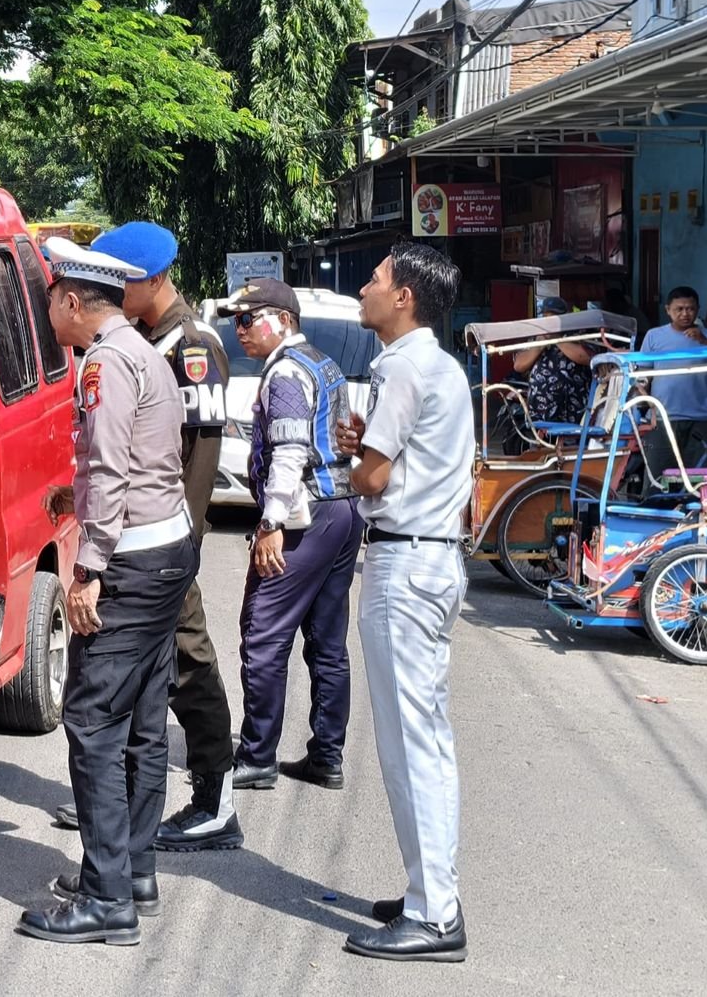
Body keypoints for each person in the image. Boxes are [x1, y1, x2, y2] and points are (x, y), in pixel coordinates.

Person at [17, 243, 197, 947]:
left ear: (71, 302)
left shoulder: (104, 362)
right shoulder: (144, 350)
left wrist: (87, 569)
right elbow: (143, 460)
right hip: (167, 549)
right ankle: (134, 873)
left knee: (93, 722)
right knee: (143, 719)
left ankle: (106, 897)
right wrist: (79, 496)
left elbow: (111, 463)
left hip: (131, 562)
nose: (49, 312)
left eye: (50, 300)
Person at [46, 222, 242, 850]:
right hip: (145, 535)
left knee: (189, 663)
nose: (110, 291)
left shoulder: (191, 345)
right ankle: (119, 805)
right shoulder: (144, 341)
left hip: (161, 538)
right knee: (139, 682)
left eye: (122, 281)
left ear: (152, 280)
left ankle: (214, 796)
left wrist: (181, 544)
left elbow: (195, 459)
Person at [336, 242, 473, 963]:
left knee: (409, 744)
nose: (365, 288)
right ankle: (433, 891)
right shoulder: (440, 366)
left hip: (406, 563)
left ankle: (434, 912)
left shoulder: (402, 366)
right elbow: (398, 459)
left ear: (405, 298)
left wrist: (353, 464)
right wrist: (368, 452)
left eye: (375, 279)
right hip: (432, 559)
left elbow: (373, 479)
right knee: (426, 739)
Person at [214, 278, 363, 793]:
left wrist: (270, 523)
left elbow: (290, 451)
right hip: (342, 510)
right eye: (236, 321)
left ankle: (257, 757)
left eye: (247, 320)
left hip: (305, 516)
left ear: (282, 320)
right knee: (327, 641)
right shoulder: (323, 363)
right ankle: (327, 755)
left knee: (263, 633)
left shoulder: (284, 373)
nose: (240, 331)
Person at [638, 286, 707, 488]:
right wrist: (648, 406)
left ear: (698, 309)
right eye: (679, 309)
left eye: (690, 309)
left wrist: (703, 341)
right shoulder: (653, 336)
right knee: (658, 481)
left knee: (702, 481)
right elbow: (643, 376)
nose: (685, 314)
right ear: (668, 310)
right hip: (662, 419)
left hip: (702, 420)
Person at [512, 296, 597, 425]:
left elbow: (586, 357)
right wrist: (539, 346)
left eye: (553, 317)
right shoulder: (537, 338)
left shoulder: (577, 334)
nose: (549, 322)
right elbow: (519, 365)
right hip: (540, 411)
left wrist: (557, 339)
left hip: (571, 411)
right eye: (546, 317)